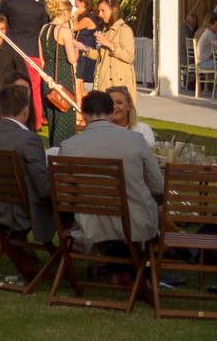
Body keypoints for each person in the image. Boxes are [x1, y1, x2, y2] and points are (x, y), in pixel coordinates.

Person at [57, 90, 163, 251]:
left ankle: (108, 265)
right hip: (133, 225)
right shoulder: (136, 140)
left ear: (83, 114)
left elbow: (65, 196)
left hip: (90, 225)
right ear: (111, 113)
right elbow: (158, 187)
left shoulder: (69, 146)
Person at [0, 83, 53, 245]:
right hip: (25, 209)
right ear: (26, 110)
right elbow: (43, 189)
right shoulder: (29, 140)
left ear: (1, 109)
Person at [39, 0, 80, 145]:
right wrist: (77, 48)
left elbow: (42, 58)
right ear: (64, 13)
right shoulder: (64, 30)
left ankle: (52, 151)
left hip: (48, 74)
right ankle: (62, 153)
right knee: (65, 117)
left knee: (53, 119)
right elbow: (71, 58)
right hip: (62, 75)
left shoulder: (44, 29)